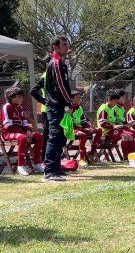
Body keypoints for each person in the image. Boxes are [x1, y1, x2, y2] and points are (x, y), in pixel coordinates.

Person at [42, 35, 72, 182]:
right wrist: (69, 103)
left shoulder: (62, 64)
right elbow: (60, 87)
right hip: (55, 107)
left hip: (61, 107)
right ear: (55, 47)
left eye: (67, 44)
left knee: (60, 137)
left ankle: (56, 169)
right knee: (54, 138)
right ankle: (48, 172)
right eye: (64, 44)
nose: (66, 46)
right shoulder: (55, 63)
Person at [0, 87, 45, 176]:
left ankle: (37, 163)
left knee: (39, 136)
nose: (21, 99)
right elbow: (7, 125)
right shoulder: (7, 107)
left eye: (22, 97)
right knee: (23, 138)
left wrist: (28, 130)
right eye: (18, 97)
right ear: (11, 97)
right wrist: (23, 133)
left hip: (21, 133)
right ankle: (20, 166)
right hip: (8, 133)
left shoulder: (20, 108)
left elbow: (24, 123)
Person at [96, 90, 132, 157]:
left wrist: (123, 124)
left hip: (112, 130)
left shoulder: (112, 109)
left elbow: (115, 121)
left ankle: (130, 155)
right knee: (125, 136)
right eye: (115, 102)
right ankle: (126, 156)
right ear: (109, 100)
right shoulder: (104, 109)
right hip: (105, 132)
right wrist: (114, 126)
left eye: (116, 102)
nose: (115, 104)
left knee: (130, 136)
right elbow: (102, 124)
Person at [71, 91, 102, 167]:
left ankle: (91, 154)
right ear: (71, 99)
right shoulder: (69, 108)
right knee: (83, 135)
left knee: (99, 130)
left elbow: (83, 122)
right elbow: (70, 124)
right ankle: (81, 159)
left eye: (80, 98)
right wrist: (84, 129)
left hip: (80, 128)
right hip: (71, 129)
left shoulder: (80, 108)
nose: (79, 99)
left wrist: (90, 127)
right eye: (77, 98)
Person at [30, 55, 51, 161]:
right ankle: (43, 158)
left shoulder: (56, 75)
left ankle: (51, 158)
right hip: (47, 111)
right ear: (47, 64)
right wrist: (45, 102)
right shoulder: (45, 76)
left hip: (57, 110)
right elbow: (33, 91)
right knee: (47, 135)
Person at [113, 90, 135, 158]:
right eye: (123, 97)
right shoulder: (114, 108)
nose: (125, 99)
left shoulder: (122, 108)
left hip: (122, 127)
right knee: (127, 135)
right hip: (115, 129)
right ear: (118, 98)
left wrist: (128, 123)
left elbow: (122, 120)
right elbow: (113, 122)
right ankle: (126, 156)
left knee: (133, 134)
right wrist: (123, 125)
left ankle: (131, 155)